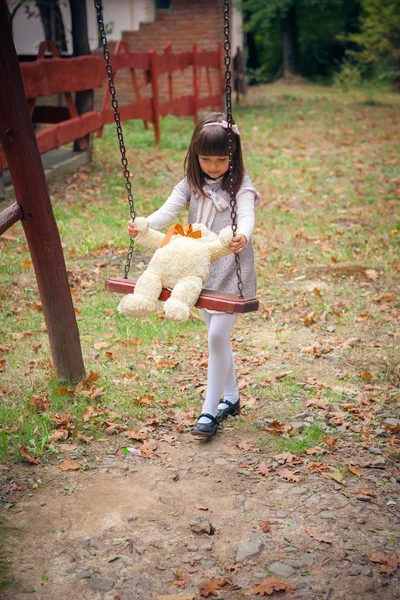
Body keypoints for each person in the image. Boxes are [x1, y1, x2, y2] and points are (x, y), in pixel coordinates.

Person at [127, 112, 261, 438]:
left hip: (230, 267)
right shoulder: (190, 183)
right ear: (195, 156)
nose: (213, 166)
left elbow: (246, 216)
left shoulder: (240, 184)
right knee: (215, 335)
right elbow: (166, 212)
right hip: (197, 268)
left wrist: (243, 234)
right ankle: (231, 397)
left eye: (221, 159)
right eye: (206, 159)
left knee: (217, 337)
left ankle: (208, 410)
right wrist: (144, 224)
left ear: (234, 156)